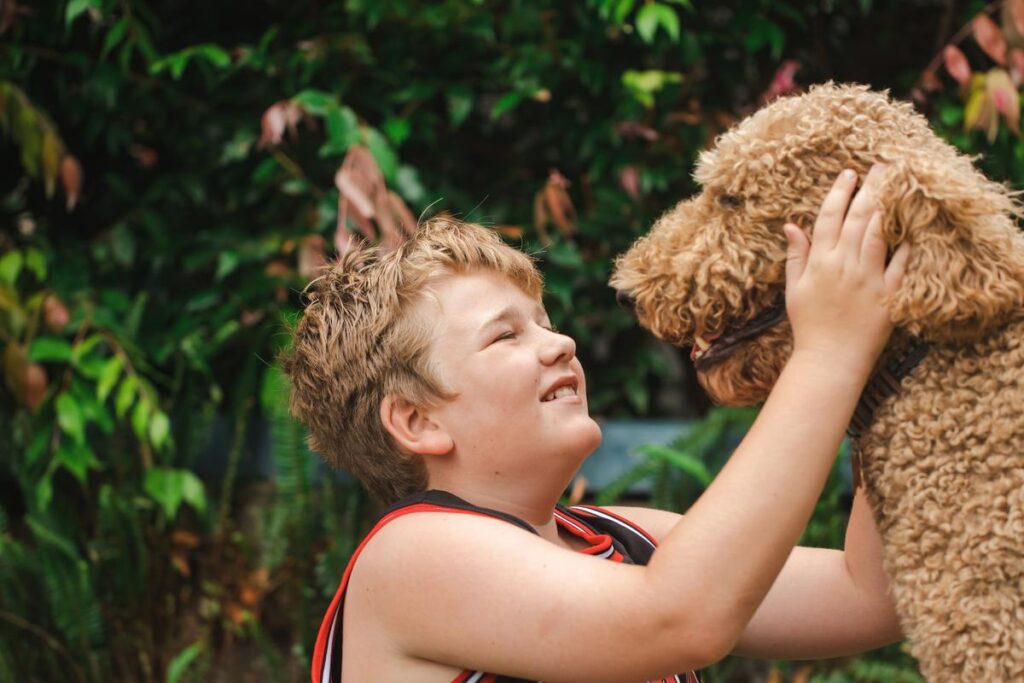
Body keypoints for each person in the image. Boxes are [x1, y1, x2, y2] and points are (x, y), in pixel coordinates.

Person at [282, 166, 909, 683]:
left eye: (545, 322)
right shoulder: (412, 555)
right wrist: (829, 355)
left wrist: (888, 369)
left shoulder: (629, 540)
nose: (560, 343)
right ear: (417, 421)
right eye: (505, 335)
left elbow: (872, 594)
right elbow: (679, 618)